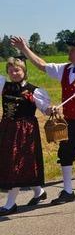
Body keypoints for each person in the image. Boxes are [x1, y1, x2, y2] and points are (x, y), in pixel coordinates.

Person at [12, 36, 75, 203]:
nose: (69, 52)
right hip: (70, 120)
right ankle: (68, 191)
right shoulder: (65, 69)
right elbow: (42, 65)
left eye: (72, 50)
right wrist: (24, 49)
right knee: (65, 154)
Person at [0, 58, 50, 216]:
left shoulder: (34, 91)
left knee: (17, 163)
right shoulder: (3, 85)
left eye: (17, 70)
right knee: (15, 163)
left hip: (25, 131)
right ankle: (39, 192)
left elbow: (45, 110)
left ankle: (10, 204)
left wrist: (51, 109)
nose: (14, 73)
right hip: (7, 129)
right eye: (11, 70)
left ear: (24, 71)